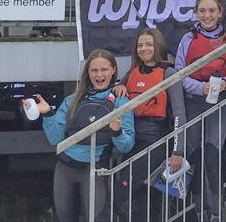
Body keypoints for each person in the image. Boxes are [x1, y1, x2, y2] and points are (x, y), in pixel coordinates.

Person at [30, 49, 134, 222]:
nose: (99, 75)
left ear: (113, 70)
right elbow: (55, 139)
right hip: (65, 169)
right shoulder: (72, 100)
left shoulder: (120, 101)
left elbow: (127, 145)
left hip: (94, 171)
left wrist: (117, 131)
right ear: (88, 73)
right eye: (94, 70)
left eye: (104, 70)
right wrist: (48, 114)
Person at [174, 0, 226, 222]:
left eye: (211, 10)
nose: (207, 15)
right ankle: (199, 211)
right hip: (194, 104)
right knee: (194, 158)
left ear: (220, 12)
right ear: (196, 12)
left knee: (213, 157)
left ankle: (216, 211)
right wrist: (199, 87)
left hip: (219, 104)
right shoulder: (188, 39)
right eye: (202, 11)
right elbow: (179, 75)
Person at [112, 28, 187, 222]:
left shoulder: (169, 73)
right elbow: (117, 95)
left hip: (157, 143)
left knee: (132, 195)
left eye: (149, 44)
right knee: (137, 198)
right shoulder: (132, 73)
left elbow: (179, 114)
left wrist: (177, 151)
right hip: (132, 142)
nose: (144, 49)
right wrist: (119, 86)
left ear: (158, 46)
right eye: (140, 45)